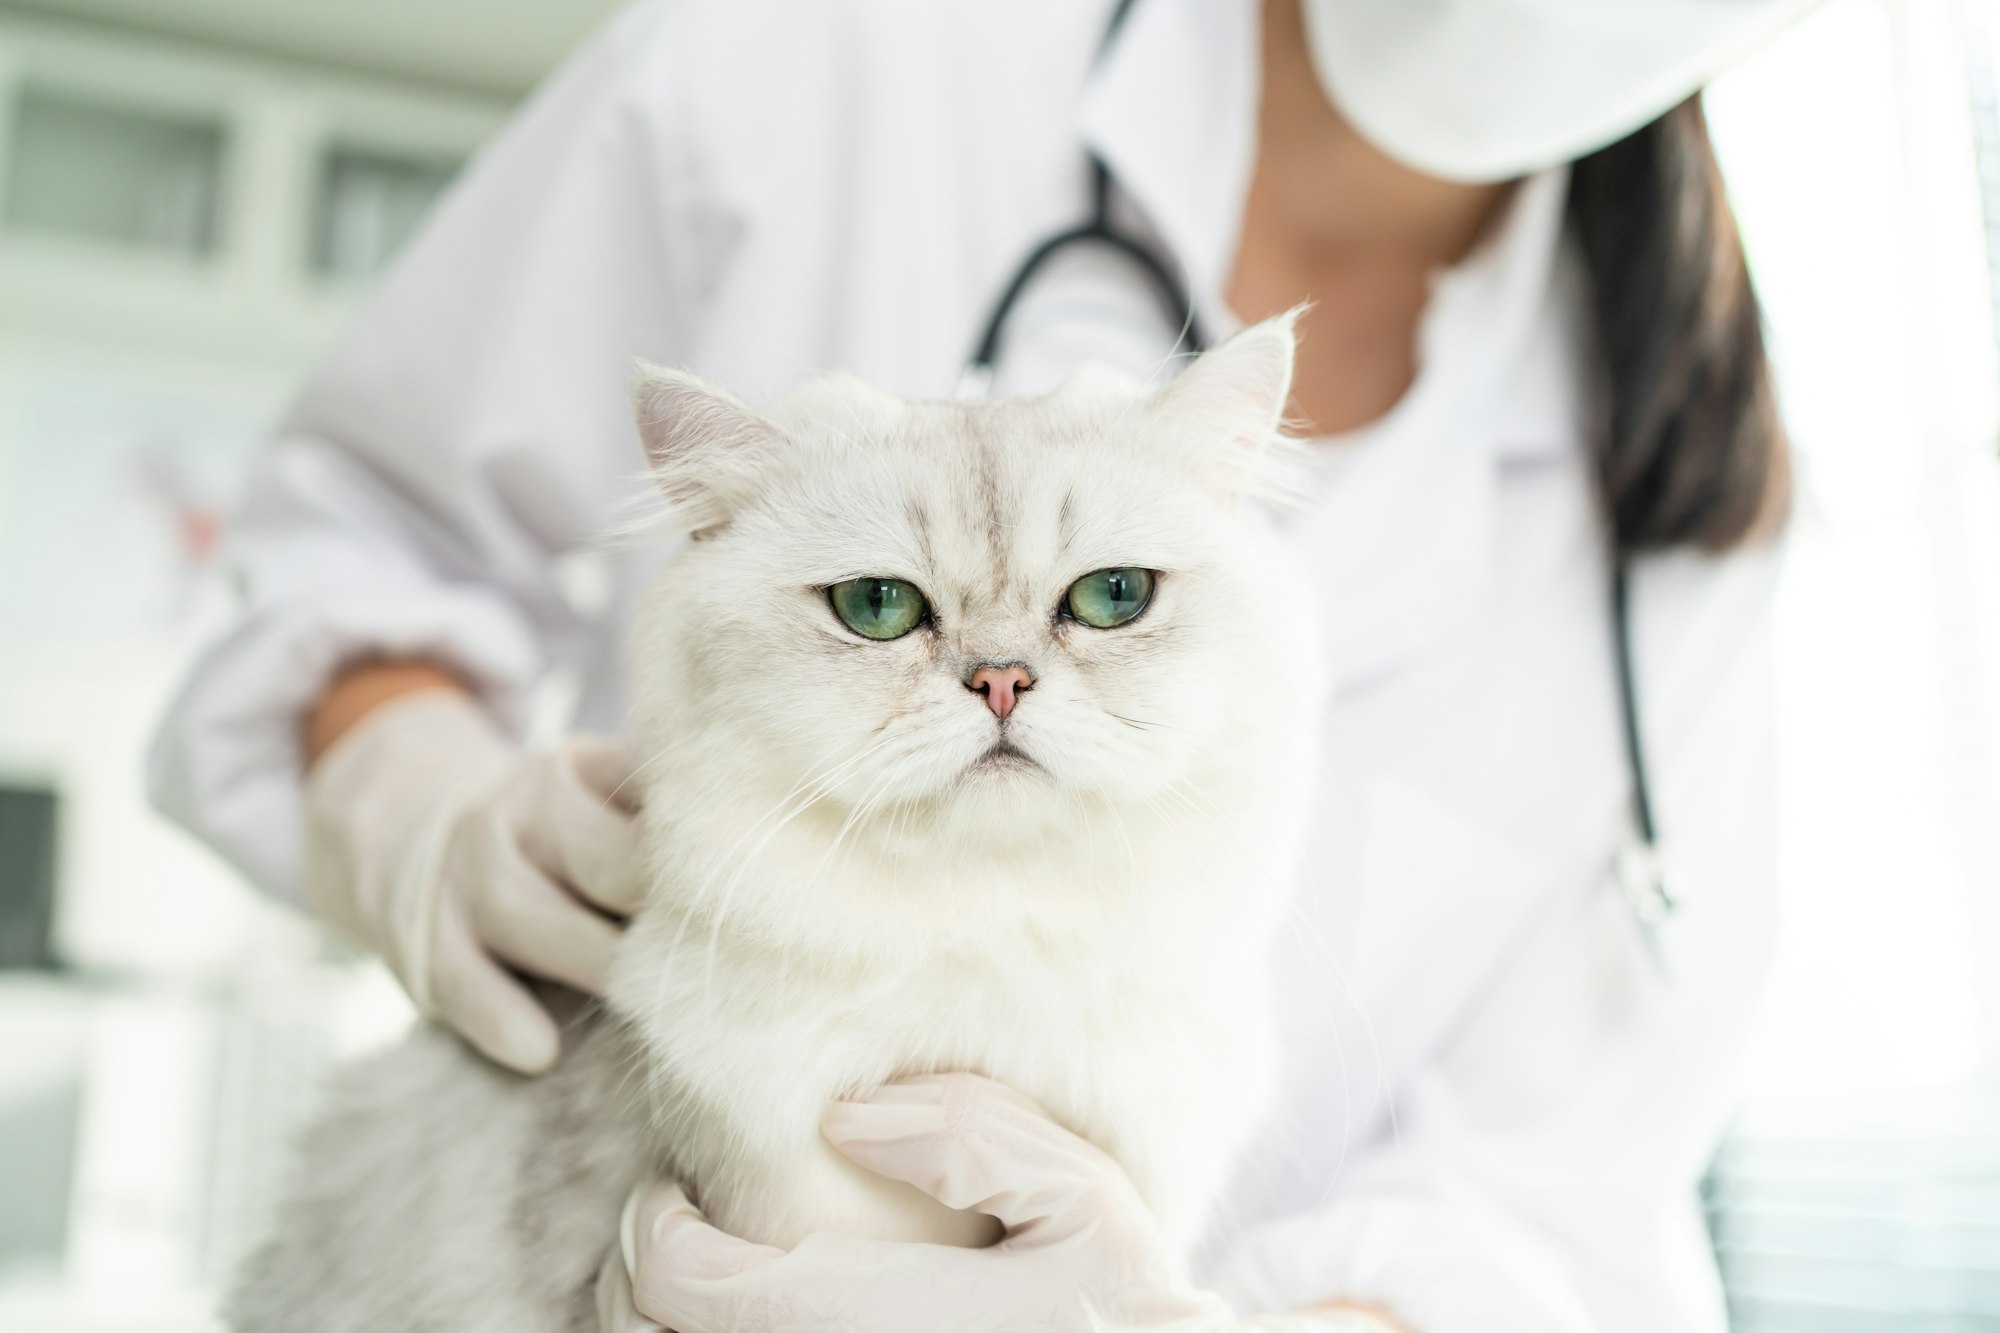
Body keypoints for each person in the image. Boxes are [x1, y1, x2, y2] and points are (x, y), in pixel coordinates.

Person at [149, 0, 1821, 1328]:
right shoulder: (837, 45)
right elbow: (358, 528)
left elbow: (1568, 1206)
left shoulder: (1697, 500)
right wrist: (417, 797)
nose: (1007, 679)